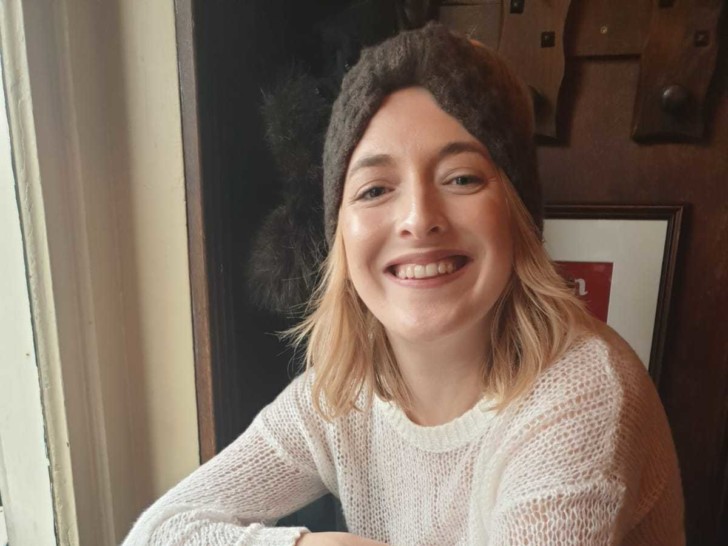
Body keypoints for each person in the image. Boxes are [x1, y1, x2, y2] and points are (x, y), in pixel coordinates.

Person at [123, 23, 684, 546]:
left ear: (517, 214)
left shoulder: (585, 394)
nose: (419, 218)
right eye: (374, 189)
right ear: (340, 233)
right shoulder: (342, 392)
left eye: (461, 177)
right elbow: (159, 530)